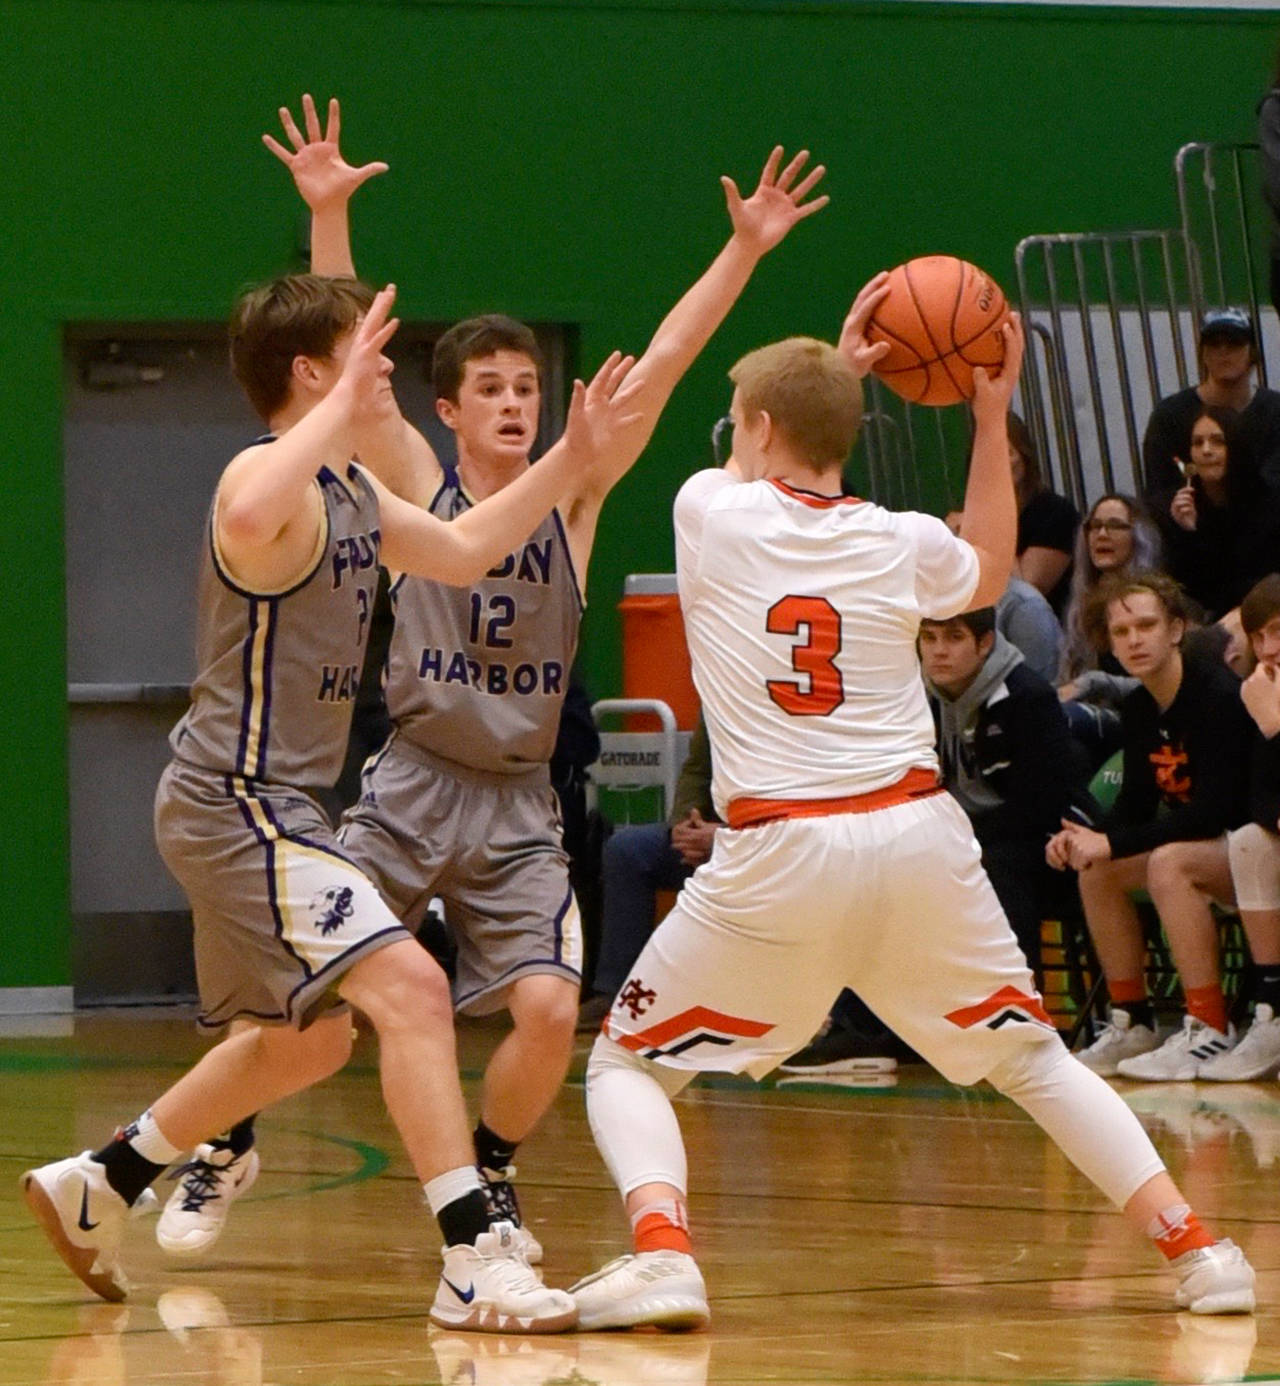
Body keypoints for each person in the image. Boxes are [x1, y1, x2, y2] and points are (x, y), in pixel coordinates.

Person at [568, 288, 1255, 1331]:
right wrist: (987, 419)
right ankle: (1197, 1251)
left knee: (626, 1062)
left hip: (781, 847)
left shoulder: (708, 507)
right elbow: (983, 563)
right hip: (912, 835)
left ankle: (663, 1251)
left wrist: (809, 352)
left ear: (753, 430)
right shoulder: (897, 540)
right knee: (1029, 1061)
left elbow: (734, 417)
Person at [264, 95, 831, 1263]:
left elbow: (667, 363)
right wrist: (327, 219)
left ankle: (495, 1175)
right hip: (415, 777)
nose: (518, 403)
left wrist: (742, 248)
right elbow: (352, 383)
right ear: (451, 408)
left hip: (519, 795)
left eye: (528, 385)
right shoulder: (420, 478)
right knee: (305, 992)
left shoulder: (574, 490)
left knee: (547, 1008)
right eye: (494, 389)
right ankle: (223, 1135)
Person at [22, 275, 643, 1331]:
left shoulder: (355, 495)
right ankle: (468, 1257)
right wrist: (329, 406)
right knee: (407, 986)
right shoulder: (265, 478)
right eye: (366, 356)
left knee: (305, 1042)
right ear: (316, 374)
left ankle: (105, 1179)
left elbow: (465, 549)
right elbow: (250, 506)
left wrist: (570, 464)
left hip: (278, 813)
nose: (385, 372)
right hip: (234, 801)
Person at [1046, 572, 1252, 1083]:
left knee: (1168, 862)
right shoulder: (1139, 707)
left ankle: (1208, 1025)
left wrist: (1112, 840)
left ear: (1176, 629)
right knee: (1097, 869)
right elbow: (1136, 805)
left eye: (1147, 625)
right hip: (1211, 850)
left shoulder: (1217, 695)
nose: (1134, 640)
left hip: (1255, 848)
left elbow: (1214, 812)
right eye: (1121, 632)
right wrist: (1084, 840)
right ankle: (1133, 1021)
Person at [919, 607, 1092, 979]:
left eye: (954, 637)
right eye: (929, 638)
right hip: (963, 836)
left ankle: (1014, 1006)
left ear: (985, 643)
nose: (939, 651)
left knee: (996, 865)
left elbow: (1038, 807)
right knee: (884, 861)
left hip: (1041, 844)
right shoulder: (916, 698)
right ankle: (874, 1025)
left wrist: (957, 836)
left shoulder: (1027, 695)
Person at [576, 715, 722, 1034]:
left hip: (765, 840)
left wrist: (724, 837)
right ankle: (616, 990)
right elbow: (697, 770)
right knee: (627, 850)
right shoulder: (719, 687)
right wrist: (684, 826)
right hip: (706, 835)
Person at [1199, 574, 1280, 1081]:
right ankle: (1272, 1011)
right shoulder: (1259, 693)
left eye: (1279, 631)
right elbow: (1262, 801)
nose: (1270, 650)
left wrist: (1275, 728)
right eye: (1259, 637)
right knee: (1252, 842)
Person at [1057, 493, 1163, 766]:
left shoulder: (1154, 597)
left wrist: (1094, 682)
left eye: (1115, 525)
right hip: (1091, 720)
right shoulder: (1079, 602)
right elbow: (1065, 680)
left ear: (1138, 536)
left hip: (1142, 719)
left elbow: (1161, 682)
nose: (1102, 534)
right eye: (1095, 525)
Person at [1142, 307, 1280, 499]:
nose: (1223, 351)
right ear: (1203, 354)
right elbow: (1159, 492)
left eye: (1234, 343)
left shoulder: (1275, 412)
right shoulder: (1170, 415)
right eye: (1214, 344)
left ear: (1253, 353)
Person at [1159, 405, 1280, 620]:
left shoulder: (1268, 503)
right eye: (1198, 443)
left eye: (1218, 441)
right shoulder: (1184, 508)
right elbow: (1187, 589)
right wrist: (1190, 532)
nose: (1206, 450)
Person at [1009, 411, 1079, 617]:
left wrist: (989, 528)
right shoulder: (969, 516)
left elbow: (1026, 594)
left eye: (1007, 452)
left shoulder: (1055, 512)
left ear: (1024, 456)